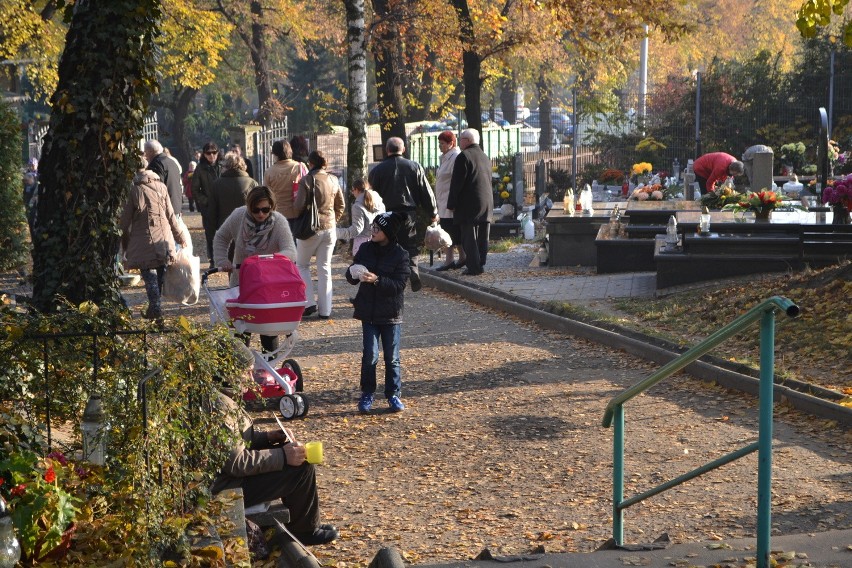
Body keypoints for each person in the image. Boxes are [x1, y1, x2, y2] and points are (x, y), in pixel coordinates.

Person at [210, 341, 338, 546]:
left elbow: (235, 442)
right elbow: (236, 463)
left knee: (292, 456)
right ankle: (305, 530)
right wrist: (282, 456)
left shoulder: (223, 398)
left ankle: (303, 524)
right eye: (247, 372)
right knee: (300, 468)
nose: (251, 379)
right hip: (225, 488)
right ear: (229, 372)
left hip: (227, 480)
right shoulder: (219, 407)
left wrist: (267, 438)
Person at [214, 185, 297, 352]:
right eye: (256, 210)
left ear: (272, 207)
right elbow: (221, 236)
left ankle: (269, 368)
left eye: (265, 210)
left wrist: (270, 261)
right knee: (240, 328)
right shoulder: (238, 216)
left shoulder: (279, 222)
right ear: (249, 207)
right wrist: (222, 260)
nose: (260, 214)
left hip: (268, 286)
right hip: (241, 283)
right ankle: (241, 368)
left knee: (269, 330)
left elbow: (291, 251)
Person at [345, 211, 410, 413]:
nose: (372, 231)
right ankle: (367, 393)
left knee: (392, 357)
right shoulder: (365, 248)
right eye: (372, 227)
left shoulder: (401, 254)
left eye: (377, 228)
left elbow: (399, 285)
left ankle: (393, 395)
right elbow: (351, 274)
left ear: (388, 232)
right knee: (370, 355)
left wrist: (377, 280)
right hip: (368, 311)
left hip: (391, 313)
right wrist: (353, 273)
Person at [367, 137, 437, 291]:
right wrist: (433, 212)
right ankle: (413, 270)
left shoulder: (377, 171)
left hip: (386, 213)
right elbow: (426, 192)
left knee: (387, 245)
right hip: (408, 213)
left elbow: (371, 196)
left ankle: (389, 279)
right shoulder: (414, 167)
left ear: (387, 150)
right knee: (409, 245)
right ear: (403, 149)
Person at [120, 166, 188, 320]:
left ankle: (155, 309)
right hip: (163, 242)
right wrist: (180, 238)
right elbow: (171, 216)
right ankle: (154, 310)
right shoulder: (161, 187)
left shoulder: (134, 191)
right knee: (159, 278)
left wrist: (123, 245)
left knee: (150, 279)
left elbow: (124, 222)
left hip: (142, 242)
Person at [293, 150, 345, 320]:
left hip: (310, 229)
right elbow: (341, 205)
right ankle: (326, 310)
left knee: (302, 265)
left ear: (311, 163)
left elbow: (299, 206)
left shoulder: (306, 180)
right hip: (330, 228)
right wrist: (333, 220)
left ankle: (309, 302)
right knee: (324, 268)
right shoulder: (334, 179)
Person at [447, 128, 494, 276]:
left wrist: (451, 203)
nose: (459, 142)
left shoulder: (463, 156)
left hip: (468, 202)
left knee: (468, 235)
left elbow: (456, 183)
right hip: (486, 201)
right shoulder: (484, 156)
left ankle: (474, 267)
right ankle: (481, 261)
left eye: (460, 139)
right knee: (483, 235)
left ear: (467, 141)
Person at [433, 130, 464, 271]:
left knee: (452, 231)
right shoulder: (445, 157)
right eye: (439, 143)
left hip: (449, 201)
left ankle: (457, 258)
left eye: (442, 143)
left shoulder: (455, 157)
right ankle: (451, 259)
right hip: (443, 201)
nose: (440, 146)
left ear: (451, 143)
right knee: (448, 230)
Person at [210, 152, 258, 233]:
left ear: (226, 167)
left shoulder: (217, 184)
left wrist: (212, 233)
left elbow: (212, 211)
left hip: (224, 228)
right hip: (247, 228)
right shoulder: (252, 183)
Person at [336, 178, 385, 257]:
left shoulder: (357, 206)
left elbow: (356, 230)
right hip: (379, 241)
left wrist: (337, 233)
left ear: (357, 190)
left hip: (363, 244)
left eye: (352, 190)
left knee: (361, 268)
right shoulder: (378, 201)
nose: (352, 192)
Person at [192, 141, 223, 267]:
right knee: (210, 235)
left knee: (224, 232)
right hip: (208, 207)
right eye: (208, 153)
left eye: (214, 152)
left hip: (223, 205)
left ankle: (224, 258)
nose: (211, 155)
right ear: (204, 154)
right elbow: (195, 189)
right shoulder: (200, 169)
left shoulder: (223, 166)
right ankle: (213, 260)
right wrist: (205, 201)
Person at [265, 139, 309, 226]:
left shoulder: (269, 172)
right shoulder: (300, 167)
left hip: (277, 215)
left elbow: (266, 195)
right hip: (298, 214)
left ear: (275, 155)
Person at [144, 140, 184, 217]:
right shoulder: (172, 162)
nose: (145, 156)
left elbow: (156, 188)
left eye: (146, 152)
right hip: (176, 205)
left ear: (151, 151)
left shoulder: (156, 164)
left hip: (166, 208)